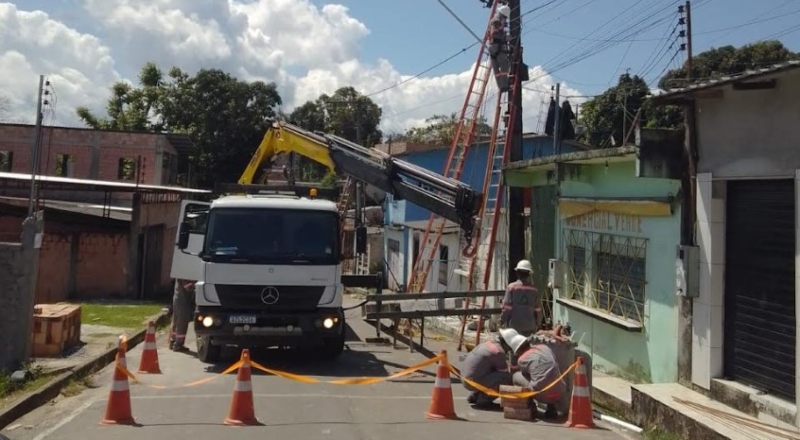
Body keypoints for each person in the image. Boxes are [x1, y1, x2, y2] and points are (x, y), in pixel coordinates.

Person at [501, 328, 567, 419]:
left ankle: (530, 405)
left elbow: (523, 374)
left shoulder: (522, 360)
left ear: (517, 351)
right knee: (547, 373)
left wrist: (514, 361)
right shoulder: (545, 347)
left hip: (542, 396)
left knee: (516, 376)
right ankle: (552, 408)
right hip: (560, 391)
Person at [461, 332, 514, 407]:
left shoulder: (488, 344)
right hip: (472, 382)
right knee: (506, 378)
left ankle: (475, 395)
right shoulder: (498, 352)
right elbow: (505, 373)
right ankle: (484, 399)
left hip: (466, 379)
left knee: (491, 372)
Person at [499, 259, 542, 336]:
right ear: (529, 274)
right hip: (530, 326)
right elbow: (538, 310)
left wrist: (502, 320)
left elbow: (507, 308)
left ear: (517, 273)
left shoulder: (511, 287)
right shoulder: (534, 290)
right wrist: (538, 323)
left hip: (514, 326)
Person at [488, 2, 511, 92]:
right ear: (502, 15)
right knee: (504, 65)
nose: (505, 20)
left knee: (496, 68)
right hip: (497, 47)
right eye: (505, 17)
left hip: (492, 47)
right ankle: (504, 86)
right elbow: (494, 33)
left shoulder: (494, 20)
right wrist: (505, 38)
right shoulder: (497, 21)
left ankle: (501, 86)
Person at [170, 279, 196, 352]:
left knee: (176, 320)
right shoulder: (183, 275)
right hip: (183, 301)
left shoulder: (180, 271)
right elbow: (188, 287)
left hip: (178, 298)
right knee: (182, 322)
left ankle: (173, 341)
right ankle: (178, 344)